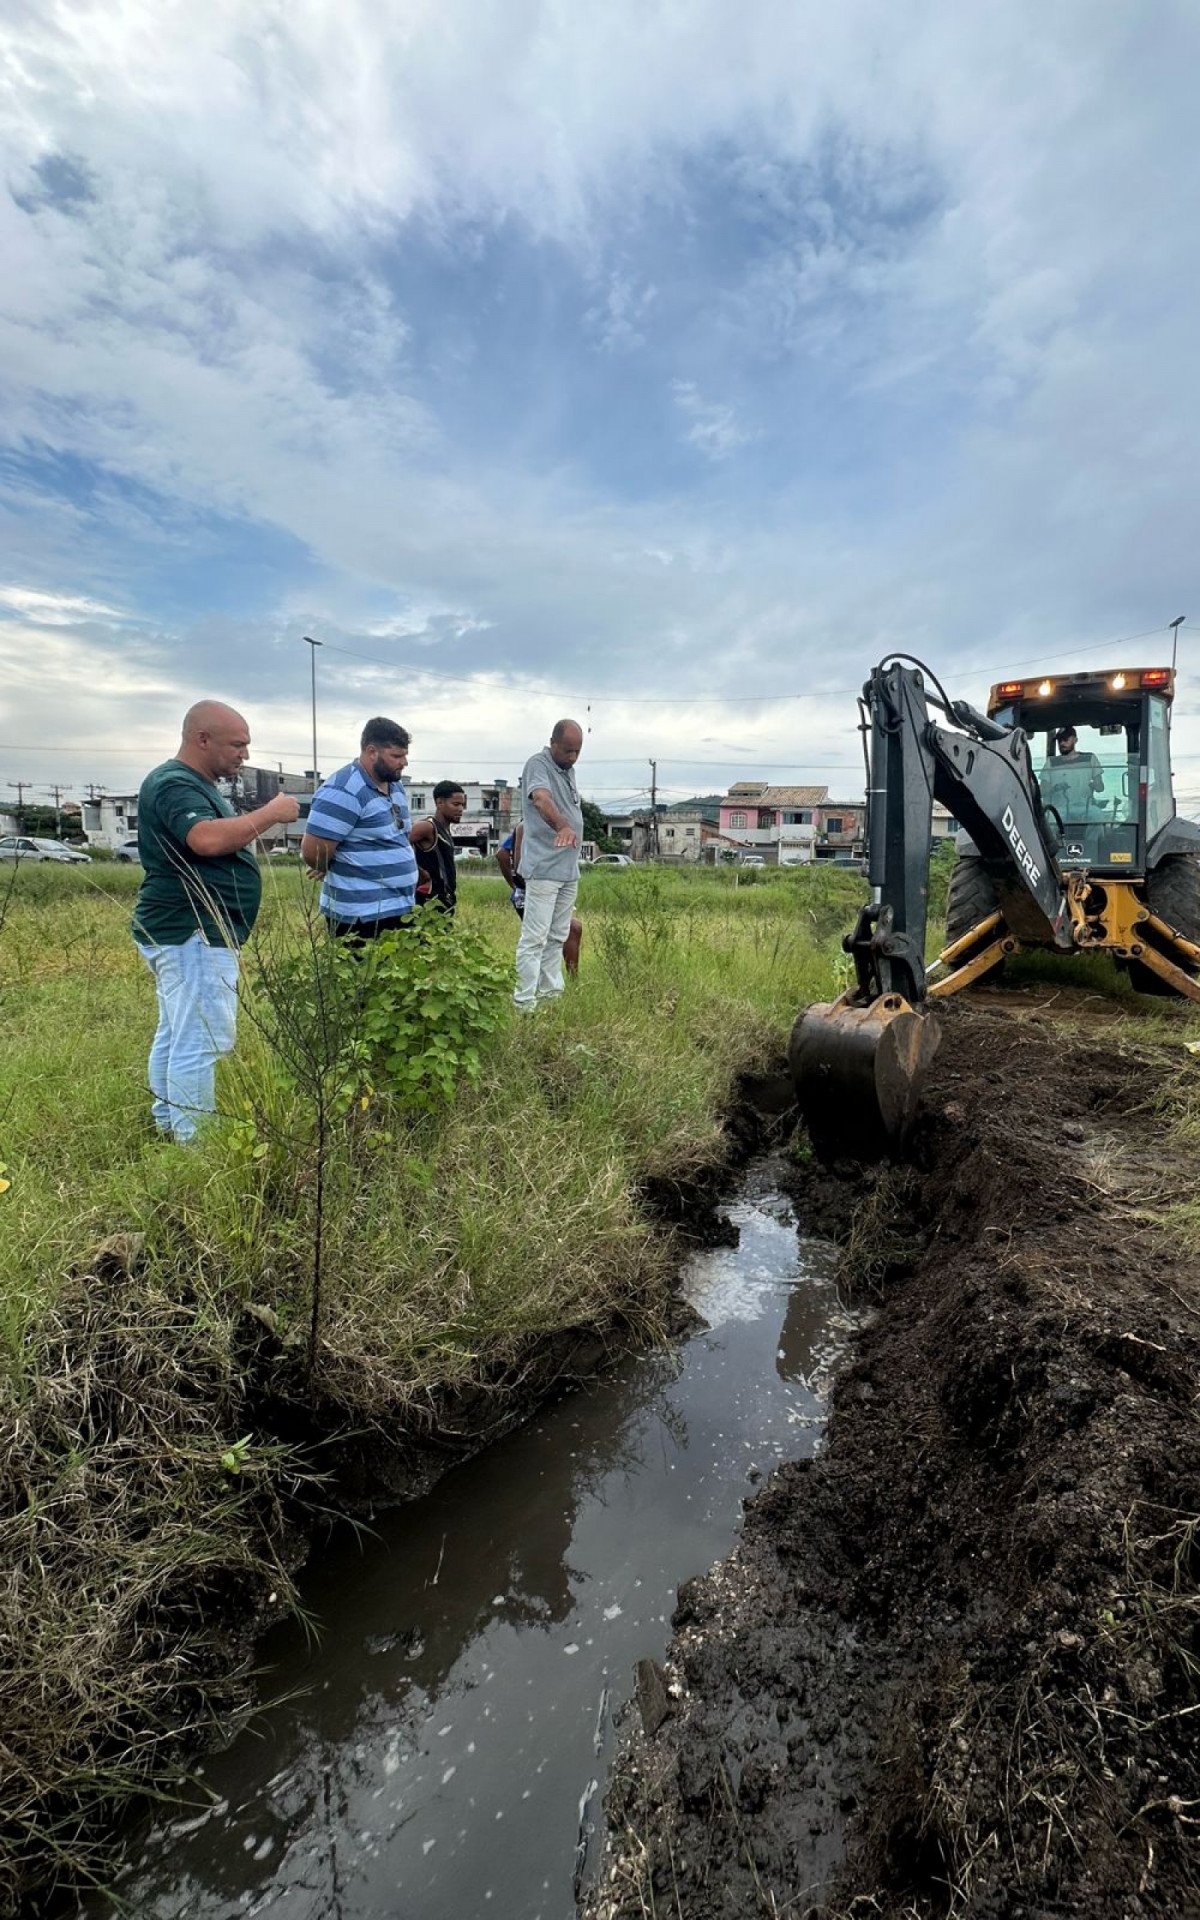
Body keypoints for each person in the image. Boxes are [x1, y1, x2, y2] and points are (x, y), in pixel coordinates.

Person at [132, 700, 299, 1140]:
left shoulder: (193, 783)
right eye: (237, 744)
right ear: (201, 739)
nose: (244, 754)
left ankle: (169, 1125)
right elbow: (204, 839)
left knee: (177, 1032)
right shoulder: (175, 784)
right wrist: (270, 814)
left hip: (189, 930)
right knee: (202, 1040)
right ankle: (193, 1145)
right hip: (194, 930)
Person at [301, 717, 419, 941]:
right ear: (372, 751)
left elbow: (397, 837)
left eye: (405, 755)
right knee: (363, 975)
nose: (403, 762)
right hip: (360, 919)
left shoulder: (395, 785)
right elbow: (313, 853)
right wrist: (330, 863)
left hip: (400, 909)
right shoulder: (344, 790)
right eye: (396, 756)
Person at [514, 719, 584, 1008]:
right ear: (553, 743)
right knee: (535, 939)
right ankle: (524, 1004)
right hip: (544, 869)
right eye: (568, 750)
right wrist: (563, 827)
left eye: (577, 751)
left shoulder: (568, 770)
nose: (572, 757)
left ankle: (550, 997)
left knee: (558, 936)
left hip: (567, 869)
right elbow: (541, 799)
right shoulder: (538, 765)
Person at [497, 824, 581, 975]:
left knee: (569, 929)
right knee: (554, 933)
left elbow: (503, 854)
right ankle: (537, 983)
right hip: (536, 889)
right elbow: (503, 855)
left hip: (549, 887)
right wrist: (517, 885)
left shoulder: (546, 824)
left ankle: (565, 980)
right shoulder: (530, 825)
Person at [411, 780, 467, 915]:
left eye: (462, 805)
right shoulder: (427, 827)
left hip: (445, 901)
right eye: (456, 804)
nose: (460, 809)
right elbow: (397, 846)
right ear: (439, 803)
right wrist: (418, 872)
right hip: (428, 903)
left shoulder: (446, 831)